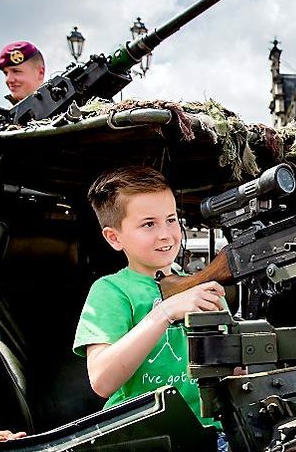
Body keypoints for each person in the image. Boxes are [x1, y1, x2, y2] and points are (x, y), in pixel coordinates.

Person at [73, 166, 227, 432]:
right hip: (140, 436)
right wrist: (164, 313)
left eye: (171, 219)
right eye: (148, 224)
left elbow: (229, 366)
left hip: (212, 431)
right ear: (114, 237)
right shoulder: (111, 290)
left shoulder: (198, 288)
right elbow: (101, 380)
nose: (166, 234)